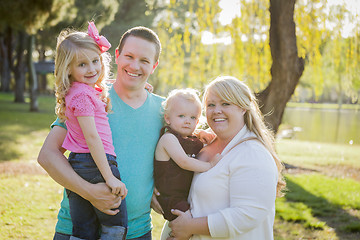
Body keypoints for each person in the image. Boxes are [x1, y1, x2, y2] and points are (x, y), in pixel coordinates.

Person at [38, 25, 164, 240]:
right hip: (76, 229)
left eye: (144, 60)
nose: (135, 65)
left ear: (154, 65)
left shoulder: (165, 110)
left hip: (137, 231)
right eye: (129, 56)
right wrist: (90, 193)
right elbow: (47, 156)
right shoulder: (90, 96)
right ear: (116, 55)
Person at [166, 76, 286, 240]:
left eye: (226, 103)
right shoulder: (202, 144)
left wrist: (189, 227)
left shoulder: (252, 153)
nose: (216, 111)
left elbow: (246, 215)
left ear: (243, 107)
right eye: (211, 105)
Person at [53, 22, 129, 240]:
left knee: (83, 228)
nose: (92, 69)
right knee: (115, 224)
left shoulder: (78, 91)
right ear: (68, 68)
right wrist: (110, 178)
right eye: (83, 65)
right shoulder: (84, 97)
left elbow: (95, 83)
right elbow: (92, 138)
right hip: (95, 164)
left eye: (95, 61)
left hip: (78, 165)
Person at [154, 89, 220, 223]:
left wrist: (201, 134)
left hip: (185, 195)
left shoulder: (190, 138)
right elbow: (184, 162)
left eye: (193, 117)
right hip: (170, 197)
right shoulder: (168, 139)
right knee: (187, 221)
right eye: (181, 116)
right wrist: (210, 165)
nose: (187, 121)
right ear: (167, 118)